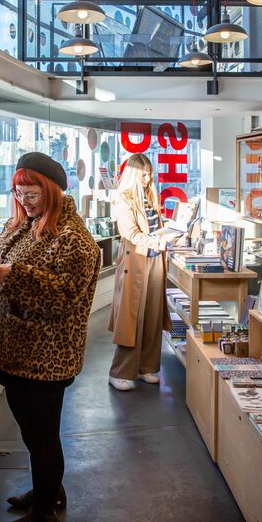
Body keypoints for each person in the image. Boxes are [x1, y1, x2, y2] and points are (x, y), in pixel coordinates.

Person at [0, 152, 101, 522]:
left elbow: (62, 297)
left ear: (52, 192)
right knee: (32, 433)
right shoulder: (23, 225)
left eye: (32, 195)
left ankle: (43, 519)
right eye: (19, 194)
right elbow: (0, 274)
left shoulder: (74, 240)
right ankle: (49, 490)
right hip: (16, 350)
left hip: (45, 357)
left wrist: (13, 276)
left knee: (43, 437)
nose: (25, 202)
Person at [108, 153, 180, 391]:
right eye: (144, 174)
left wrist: (170, 235)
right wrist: (162, 242)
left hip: (154, 261)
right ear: (133, 174)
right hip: (135, 263)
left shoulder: (149, 196)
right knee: (132, 319)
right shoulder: (124, 199)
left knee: (152, 316)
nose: (148, 178)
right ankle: (121, 371)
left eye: (150, 173)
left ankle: (147, 367)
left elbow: (153, 231)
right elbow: (132, 234)